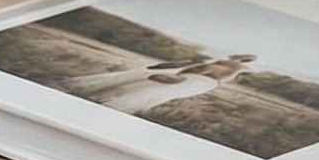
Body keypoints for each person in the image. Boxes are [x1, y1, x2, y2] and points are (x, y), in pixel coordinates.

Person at [60, 53, 259, 116]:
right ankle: (97, 96)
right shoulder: (221, 62)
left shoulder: (232, 68)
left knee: (148, 89)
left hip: (197, 80)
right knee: (140, 81)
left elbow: (213, 75)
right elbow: (200, 67)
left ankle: (110, 103)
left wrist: (183, 77)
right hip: (191, 76)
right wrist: (178, 69)